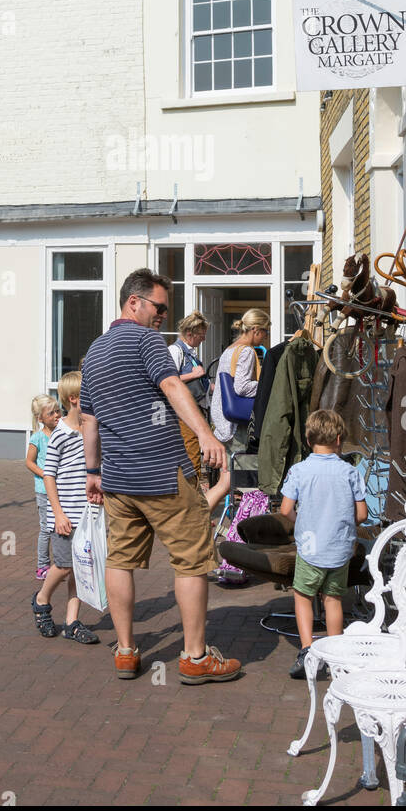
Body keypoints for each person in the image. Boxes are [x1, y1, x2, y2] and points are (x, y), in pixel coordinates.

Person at [81, 268, 241, 685]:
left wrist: (92, 472)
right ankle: (194, 658)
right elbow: (172, 385)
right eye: (159, 307)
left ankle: (126, 652)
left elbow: (90, 421)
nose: (163, 318)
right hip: (162, 473)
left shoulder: (94, 351)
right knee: (191, 559)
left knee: (120, 560)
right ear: (133, 302)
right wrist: (206, 433)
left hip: (117, 479)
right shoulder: (146, 339)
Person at [279, 408, 367, 680]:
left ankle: (307, 650)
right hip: (339, 548)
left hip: (310, 547)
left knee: (303, 596)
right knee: (333, 599)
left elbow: (284, 510)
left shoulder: (299, 470)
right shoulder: (349, 472)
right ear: (339, 439)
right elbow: (362, 514)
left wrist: (301, 521)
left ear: (308, 440)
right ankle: (335, 654)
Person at [31, 373, 100, 644]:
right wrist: (57, 513)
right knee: (62, 566)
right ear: (74, 399)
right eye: (90, 394)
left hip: (87, 514)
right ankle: (41, 599)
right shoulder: (60, 434)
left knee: (80, 568)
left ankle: (72, 622)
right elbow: (48, 475)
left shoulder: (91, 431)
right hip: (65, 516)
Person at [206, 309, 269, 515]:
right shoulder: (247, 351)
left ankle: (197, 521)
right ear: (255, 330)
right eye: (265, 331)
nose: (266, 336)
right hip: (237, 427)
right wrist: (266, 385)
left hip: (224, 423)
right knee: (243, 480)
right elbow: (241, 387)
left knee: (227, 481)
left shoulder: (229, 350)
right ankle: (243, 525)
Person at [25, 395, 61, 580]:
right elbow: (29, 462)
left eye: (58, 410)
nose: (57, 415)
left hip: (61, 489)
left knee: (60, 527)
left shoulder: (62, 433)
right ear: (40, 418)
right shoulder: (37, 438)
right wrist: (46, 475)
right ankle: (42, 566)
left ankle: (61, 564)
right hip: (44, 490)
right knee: (47, 528)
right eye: (51, 413)